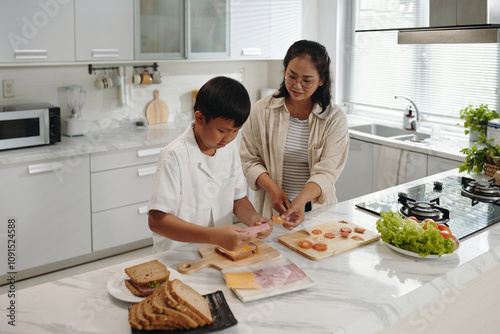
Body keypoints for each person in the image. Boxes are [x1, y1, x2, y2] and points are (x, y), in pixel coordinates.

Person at [148, 76, 273, 253]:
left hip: (219, 251)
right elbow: (156, 221)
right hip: (178, 255)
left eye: (235, 131)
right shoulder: (174, 156)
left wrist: (254, 219)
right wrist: (213, 235)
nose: (229, 138)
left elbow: (237, 199)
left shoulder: (228, 149)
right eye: (222, 131)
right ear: (200, 118)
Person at [239, 40, 349, 230]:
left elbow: (327, 172)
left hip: (317, 209)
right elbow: (249, 160)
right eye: (292, 76)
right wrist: (273, 190)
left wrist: (301, 200)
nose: (297, 85)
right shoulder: (262, 110)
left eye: (307, 80)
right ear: (284, 71)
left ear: (321, 80)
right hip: (272, 207)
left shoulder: (334, 118)